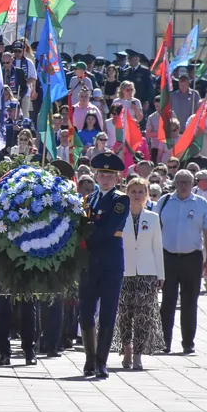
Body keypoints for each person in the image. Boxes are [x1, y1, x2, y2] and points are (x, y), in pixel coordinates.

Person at [76, 152, 131, 378]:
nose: (106, 179)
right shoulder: (89, 200)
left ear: (117, 178)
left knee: (108, 312)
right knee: (86, 312)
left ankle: (101, 361)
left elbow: (110, 228)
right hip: (89, 262)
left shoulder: (121, 200)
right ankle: (90, 358)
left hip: (110, 261)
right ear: (96, 176)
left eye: (110, 175)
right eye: (102, 174)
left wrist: (84, 236)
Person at [154, 170, 207, 354]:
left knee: (190, 301)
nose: (183, 186)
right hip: (168, 257)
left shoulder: (201, 203)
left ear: (193, 184)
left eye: (187, 182)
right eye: (180, 182)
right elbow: (155, 229)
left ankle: (188, 342)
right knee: (167, 301)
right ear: (174, 182)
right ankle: (164, 341)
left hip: (192, 257)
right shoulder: (164, 202)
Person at [115, 177, 165, 371]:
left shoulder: (153, 218)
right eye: (133, 191)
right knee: (125, 313)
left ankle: (138, 354)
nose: (137, 195)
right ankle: (126, 349)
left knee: (144, 314)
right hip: (124, 271)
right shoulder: (120, 216)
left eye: (140, 192)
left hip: (147, 272)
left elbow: (157, 247)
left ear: (146, 195)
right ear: (127, 194)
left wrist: (161, 274)